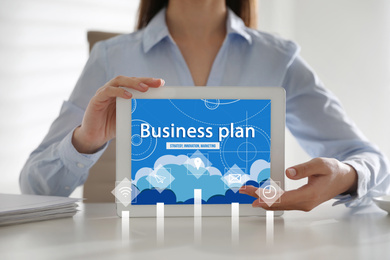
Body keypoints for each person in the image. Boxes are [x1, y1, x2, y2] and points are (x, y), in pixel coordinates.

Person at [20, 0, 390, 211]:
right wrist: (85, 140)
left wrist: (349, 175)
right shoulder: (110, 57)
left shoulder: (279, 58)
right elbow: (34, 187)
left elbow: (369, 159)